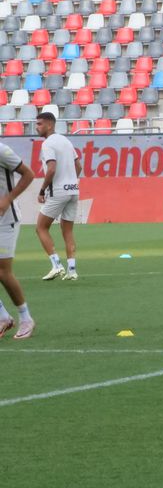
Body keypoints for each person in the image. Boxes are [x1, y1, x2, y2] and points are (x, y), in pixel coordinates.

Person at [33, 112, 81, 281]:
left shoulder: (47, 144)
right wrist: (71, 181)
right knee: (67, 231)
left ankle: (56, 265)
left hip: (58, 191)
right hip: (73, 190)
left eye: (39, 124)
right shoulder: (66, 141)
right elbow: (78, 166)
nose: (37, 127)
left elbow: (51, 168)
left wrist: (42, 190)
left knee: (41, 227)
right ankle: (72, 270)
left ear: (50, 125)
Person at [0, 140, 36, 339]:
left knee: (3, 271)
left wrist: (7, 199)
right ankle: (3, 317)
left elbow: (28, 174)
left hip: (5, 219)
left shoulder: (2, 150)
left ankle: (26, 318)